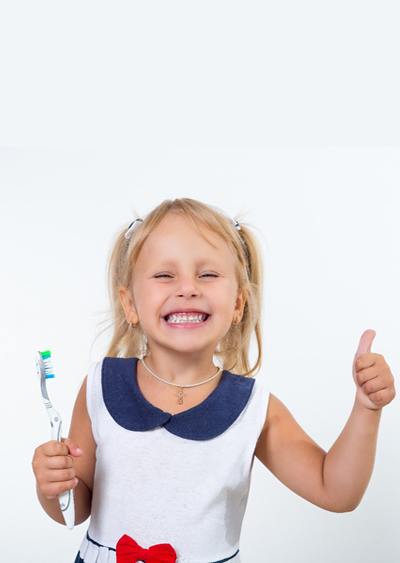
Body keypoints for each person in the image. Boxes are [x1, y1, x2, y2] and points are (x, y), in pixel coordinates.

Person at [32, 197, 396, 563]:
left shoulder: (255, 409)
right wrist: (51, 485)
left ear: (238, 303)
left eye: (207, 274)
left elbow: (336, 491)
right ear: (130, 304)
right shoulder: (99, 387)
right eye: (164, 275)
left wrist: (367, 409)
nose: (188, 288)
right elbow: (73, 511)